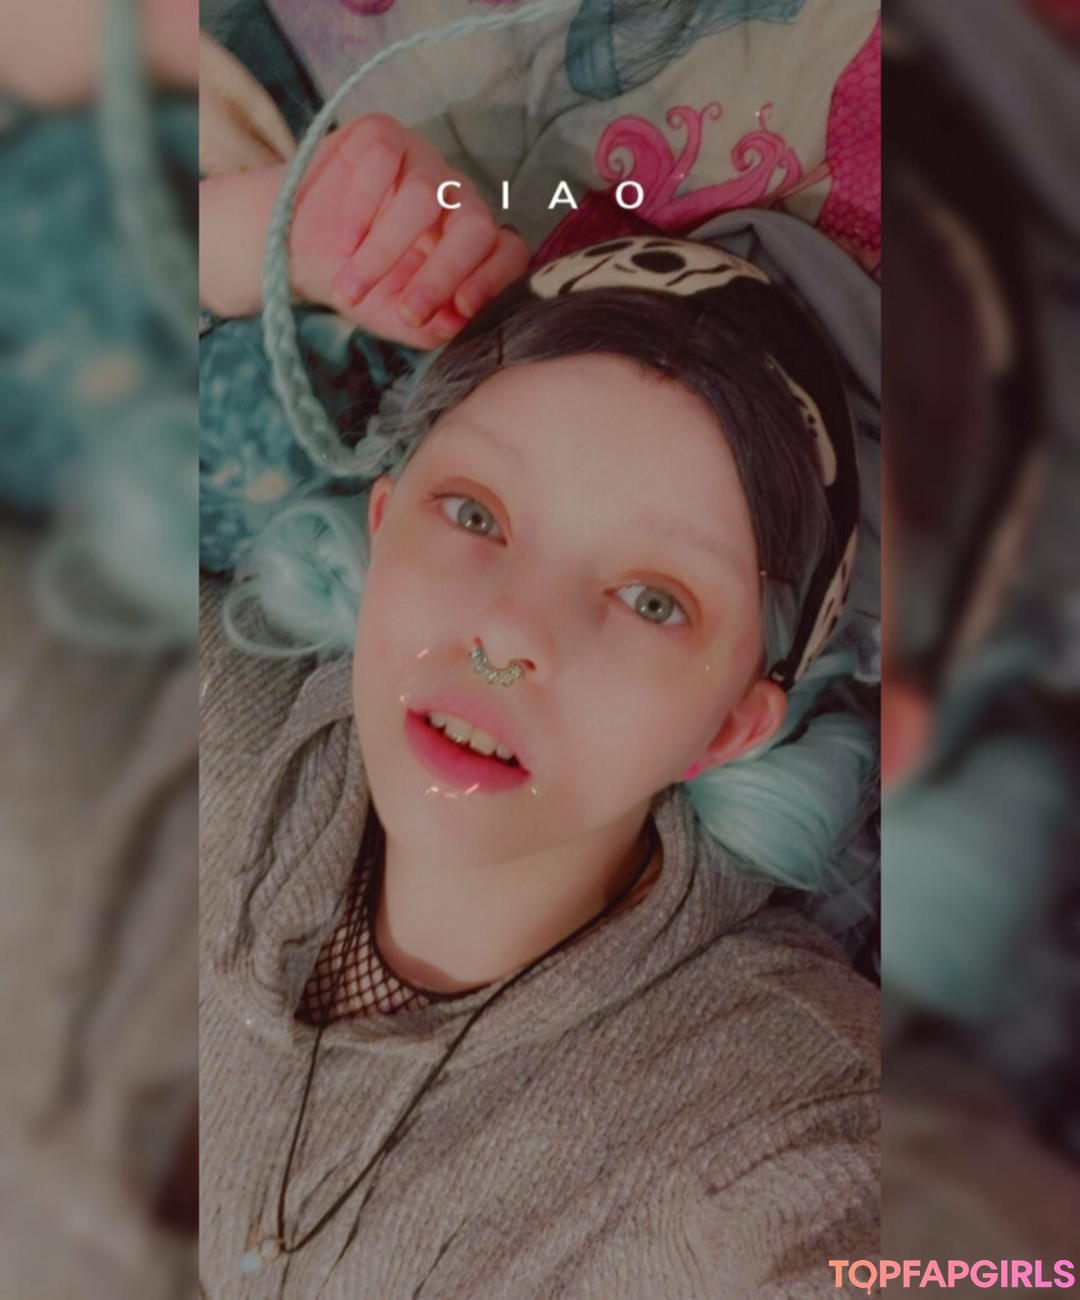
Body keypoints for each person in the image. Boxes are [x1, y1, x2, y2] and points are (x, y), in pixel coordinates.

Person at [200, 113, 880, 1298]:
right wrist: (248, 237)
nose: (512, 633)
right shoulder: (195, 720)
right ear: (382, 523)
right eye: (475, 514)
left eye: (652, 599)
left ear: (731, 724)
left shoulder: (784, 1111)